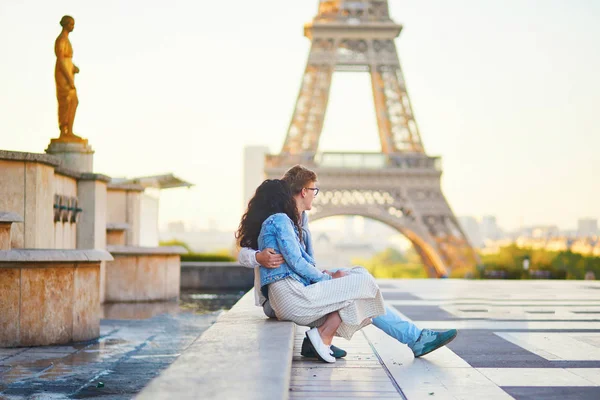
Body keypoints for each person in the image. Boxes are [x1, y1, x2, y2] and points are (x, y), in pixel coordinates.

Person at [238, 165, 457, 359]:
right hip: (286, 295)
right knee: (360, 286)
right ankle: (327, 337)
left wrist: (307, 234)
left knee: (355, 276)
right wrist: (260, 257)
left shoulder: (295, 220)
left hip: (295, 288)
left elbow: (306, 260)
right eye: (314, 190)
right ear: (304, 191)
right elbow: (287, 260)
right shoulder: (279, 220)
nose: (316, 195)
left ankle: (413, 337)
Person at [237, 179, 386, 363]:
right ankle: (323, 337)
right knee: (362, 282)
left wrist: (329, 276)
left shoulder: (276, 224)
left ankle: (322, 337)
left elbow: (302, 261)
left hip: (287, 297)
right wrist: (326, 279)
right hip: (290, 295)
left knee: (357, 282)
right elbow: (296, 262)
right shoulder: (279, 220)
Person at [55, 15, 82, 140]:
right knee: (65, 101)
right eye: (71, 24)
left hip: (68, 73)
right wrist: (68, 77)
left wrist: (73, 68)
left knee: (73, 101)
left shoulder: (66, 40)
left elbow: (67, 60)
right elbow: (61, 60)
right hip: (63, 75)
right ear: (66, 24)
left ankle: (69, 130)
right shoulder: (61, 39)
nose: (73, 27)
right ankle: (64, 130)